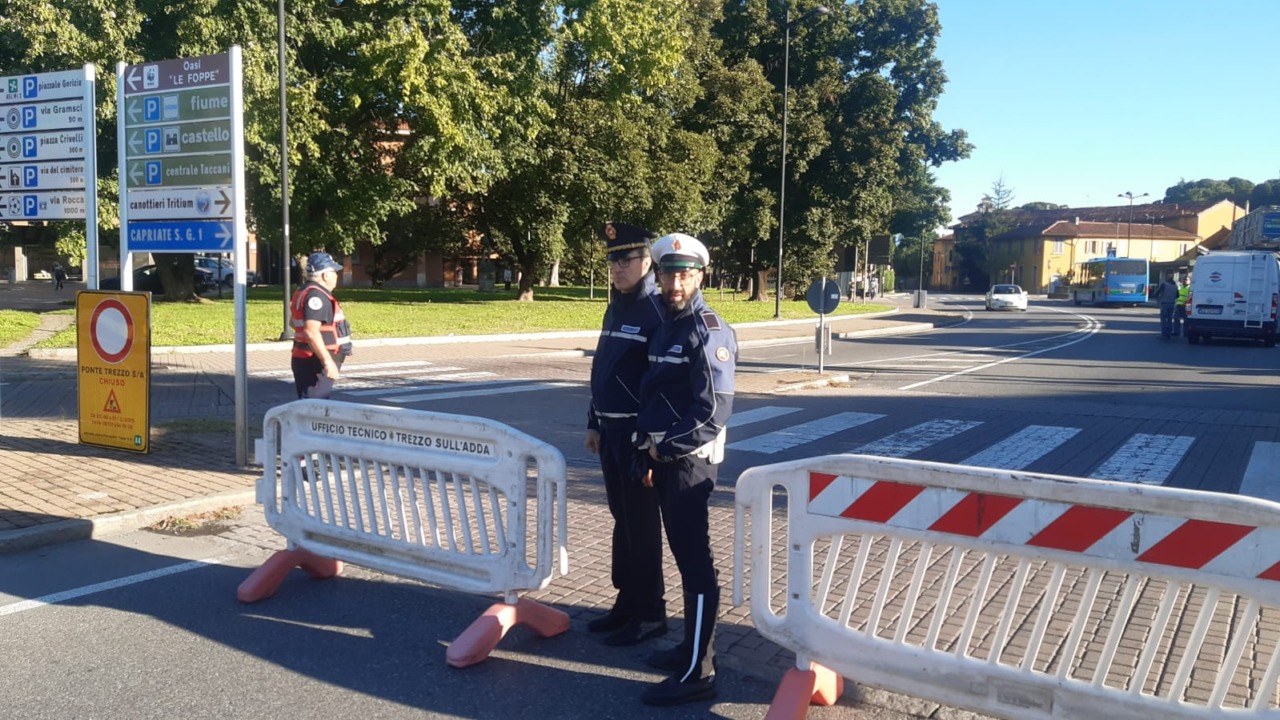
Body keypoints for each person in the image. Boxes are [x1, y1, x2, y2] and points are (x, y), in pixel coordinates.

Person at [633, 232, 737, 706]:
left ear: (700, 275)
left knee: (696, 566)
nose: (675, 282)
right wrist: (646, 446)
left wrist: (663, 450)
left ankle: (700, 670)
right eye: (668, 272)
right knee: (685, 560)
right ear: (657, 274)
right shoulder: (668, 323)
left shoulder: (707, 329)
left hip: (689, 465)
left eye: (685, 273)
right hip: (666, 460)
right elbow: (655, 393)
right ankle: (689, 649)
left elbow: (711, 412)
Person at [583, 222, 669, 647]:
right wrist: (593, 421)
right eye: (612, 260)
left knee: (642, 524)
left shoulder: (656, 310)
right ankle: (627, 602)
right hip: (609, 431)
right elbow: (603, 366)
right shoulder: (615, 305)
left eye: (626, 259)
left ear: (647, 260)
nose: (617, 267)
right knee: (623, 520)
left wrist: (650, 446)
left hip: (636, 436)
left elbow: (661, 385)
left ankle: (651, 612)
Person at [290, 252, 352, 399]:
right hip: (315, 361)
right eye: (334, 272)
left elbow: (293, 323)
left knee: (312, 405)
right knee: (314, 406)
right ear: (325, 276)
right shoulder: (317, 297)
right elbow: (311, 332)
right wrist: (327, 362)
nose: (337, 276)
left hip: (308, 357)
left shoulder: (304, 291)